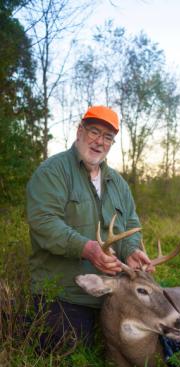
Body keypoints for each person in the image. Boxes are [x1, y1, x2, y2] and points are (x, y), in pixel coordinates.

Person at [26, 105, 151, 349]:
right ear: (79, 130)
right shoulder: (53, 172)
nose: (99, 142)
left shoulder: (118, 184)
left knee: (155, 337)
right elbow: (43, 222)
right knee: (72, 348)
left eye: (107, 137)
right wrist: (86, 248)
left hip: (112, 293)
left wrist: (132, 251)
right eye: (94, 131)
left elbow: (131, 224)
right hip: (65, 293)